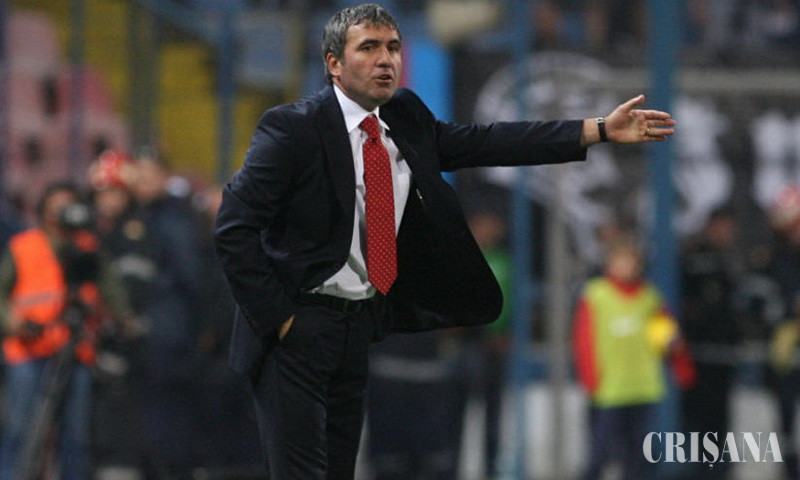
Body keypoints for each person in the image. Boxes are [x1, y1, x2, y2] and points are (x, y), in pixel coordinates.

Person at [213, 4, 675, 479]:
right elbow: (233, 228)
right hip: (298, 325)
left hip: (356, 326)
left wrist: (595, 130)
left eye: (393, 47)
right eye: (368, 48)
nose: (385, 59)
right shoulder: (292, 128)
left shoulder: (404, 118)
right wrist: (281, 320)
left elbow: (488, 141)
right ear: (333, 63)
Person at [0, 182, 133, 480]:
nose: (64, 212)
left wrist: (124, 320)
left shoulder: (88, 247)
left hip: (76, 349)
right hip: (29, 348)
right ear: (44, 210)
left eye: (70, 204)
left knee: (75, 435)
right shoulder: (24, 246)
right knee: (21, 429)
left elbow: (111, 289)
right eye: (58, 205)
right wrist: (13, 321)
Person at [572, 240, 694, 480]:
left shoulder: (649, 298)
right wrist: (589, 377)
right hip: (609, 388)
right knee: (600, 451)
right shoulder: (596, 295)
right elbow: (583, 339)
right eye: (619, 261)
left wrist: (681, 366)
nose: (624, 267)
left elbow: (667, 338)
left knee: (637, 454)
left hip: (643, 387)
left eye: (629, 262)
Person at [680, 206, 741, 480]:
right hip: (699, 354)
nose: (725, 233)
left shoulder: (730, 261)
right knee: (699, 417)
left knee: (720, 417)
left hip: (724, 355)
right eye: (721, 227)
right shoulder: (696, 259)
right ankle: (702, 469)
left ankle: (717, 469)